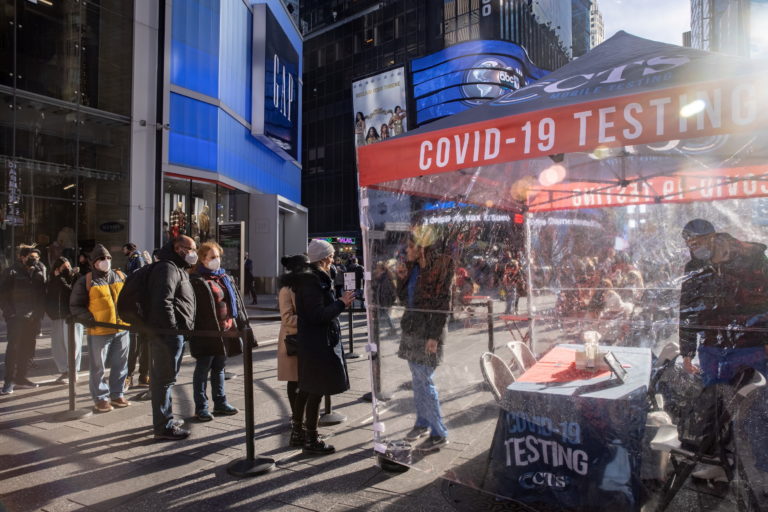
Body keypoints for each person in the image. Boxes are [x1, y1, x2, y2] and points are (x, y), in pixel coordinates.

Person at [678, 219, 768, 480]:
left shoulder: (751, 259)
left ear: (714, 237)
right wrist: (686, 350)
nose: (693, 248)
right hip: (712, 349)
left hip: (749, 347)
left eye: (697, 242)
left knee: (755, 409)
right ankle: (720, 462)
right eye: (689, 243)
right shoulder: (695, 266)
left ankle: (762, 470)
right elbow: (687, 309)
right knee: (717, 409)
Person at [291, 239, 355, 455]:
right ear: (325, 258)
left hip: (313, 341)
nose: (334, 258)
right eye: (332, 254)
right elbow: (317, 315)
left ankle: (298, 433)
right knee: (315, 390)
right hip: (317, 342)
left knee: (307, 387)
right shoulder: (312, 281)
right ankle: (311, 439)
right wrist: (341, 303)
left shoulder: (314, 278)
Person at [395, 227, 454, 452]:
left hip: (428, 332)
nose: (406, 250)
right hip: (412, 329)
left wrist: (434, 336)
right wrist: (400, 279)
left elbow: (443, 304)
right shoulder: (413, 269)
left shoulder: (439, 267)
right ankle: (422, 423)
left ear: (421, 248)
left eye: (410, 246)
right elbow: (403, 300)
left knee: (425, 379)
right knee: (417, 379)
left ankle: (439, 432)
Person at [189, 242, 247, 421]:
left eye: (218, 256)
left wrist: (241, 323)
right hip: (207, 332)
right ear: (202, 259)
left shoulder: (224, 277)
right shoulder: (196, 279)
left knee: (219, 368)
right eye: (212, 257)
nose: (217, 260)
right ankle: (201, 407)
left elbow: (235, 301)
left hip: (225, 329)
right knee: (203, 368)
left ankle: (220, 403)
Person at [146, 236, 197, 440]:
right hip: (167, 335)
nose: (194, 252)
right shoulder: (167, 268)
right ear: (179, 248)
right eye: (191, 249)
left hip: (171, 334)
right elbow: (163, 301)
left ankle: (165, 419)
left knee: (166, 379)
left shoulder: (177, 267)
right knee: (163, 380)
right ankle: (163, 426)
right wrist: (173, 330)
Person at [69, 244, 131, 412]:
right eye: (101, 259)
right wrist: (91, 320)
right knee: (98, 367)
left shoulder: (120, 275)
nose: (106, 261)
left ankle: (117, 394)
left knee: (121, 364)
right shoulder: (86, 280)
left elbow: (130, 298)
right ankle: (101, 398)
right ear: (94, 262)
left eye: (108, 258)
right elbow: (75, 306)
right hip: (99, 331)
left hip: (122, 328)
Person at [0, 245, 47, 394]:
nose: (34, 260)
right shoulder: (11, 271)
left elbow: (42, 293)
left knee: (28, 349)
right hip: (16, 317)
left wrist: (39, 314)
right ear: (22, 257)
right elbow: (2, 295)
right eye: (31, 257)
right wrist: (10, 313)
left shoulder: (39, 271)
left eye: (37, 257)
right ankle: (8, 381)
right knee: (13, 348)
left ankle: (21, 378)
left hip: (33, 317)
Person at [277, 254, 309, 446]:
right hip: (293, 341)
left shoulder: (306, 286)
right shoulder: (287, 289)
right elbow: (287, 318)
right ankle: (297, 417)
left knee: (304, 380)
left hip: (305, 340)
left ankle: (302, 416)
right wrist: (312, 320)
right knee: (294, 380)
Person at [46, 257, 83, 384]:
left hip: (72, 316)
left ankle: (73, 371)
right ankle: (64, 371)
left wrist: (59, 279)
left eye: (68, 266)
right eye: (64, 267)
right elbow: (49, 295)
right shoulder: (53, 280)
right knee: (58, 346)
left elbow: (71, 292)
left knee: (73, 344)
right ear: (57, 269)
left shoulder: (75, 278)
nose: (67, 269)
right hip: (57, 316)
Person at [122, 243, 150, 390]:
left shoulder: (148, 276)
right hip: (135, 317)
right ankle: (128, 376)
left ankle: (144, 375)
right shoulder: (133, 281)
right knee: (133, 348)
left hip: (146, 318)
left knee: (146, 349)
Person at [372, 261, 397, 337]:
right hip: (381, 300)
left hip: (384, 300)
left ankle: (392, 328)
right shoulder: (381, 276)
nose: (376, 268)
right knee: (381, 316)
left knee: (384, 315)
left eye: (377, 267)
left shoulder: (385, 278)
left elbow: (385, 291)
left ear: (381, 269)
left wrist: (381, 301)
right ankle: (376, 330)